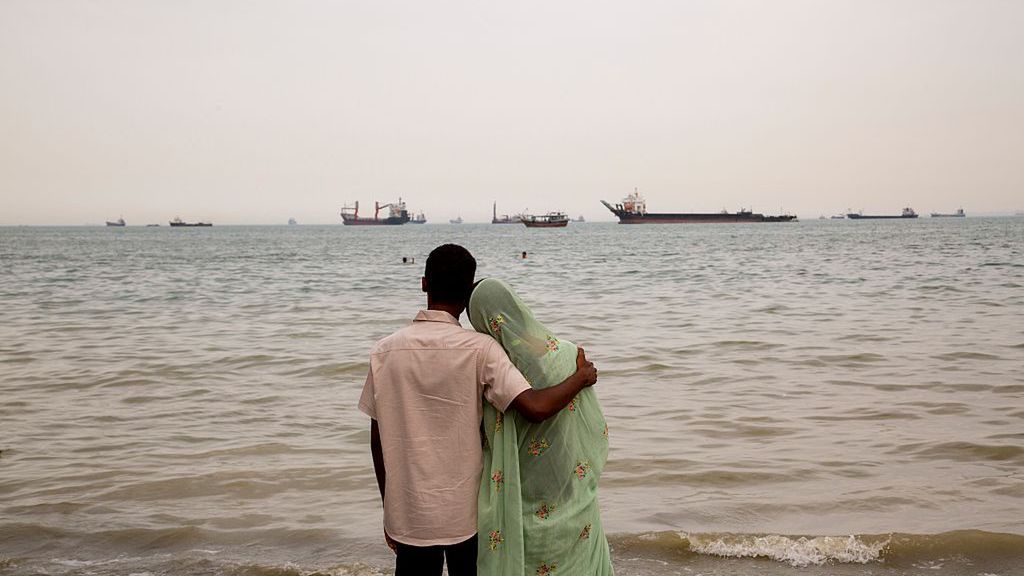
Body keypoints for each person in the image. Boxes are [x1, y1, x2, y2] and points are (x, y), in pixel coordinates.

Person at [358, 244, 598, 576]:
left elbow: (377, 441)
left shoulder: (383, 352)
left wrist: (391, 508)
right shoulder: (481, 349)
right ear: (469, 291)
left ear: (424, 283)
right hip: (465, 517)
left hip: (409, 516)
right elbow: (535, 408)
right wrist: (580, 378)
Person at [468, 278, 612, 576]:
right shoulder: (568, 354)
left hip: (521, 487)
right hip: (567, 481)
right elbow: (592, 424)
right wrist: (580, 378)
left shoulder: (489, 367)